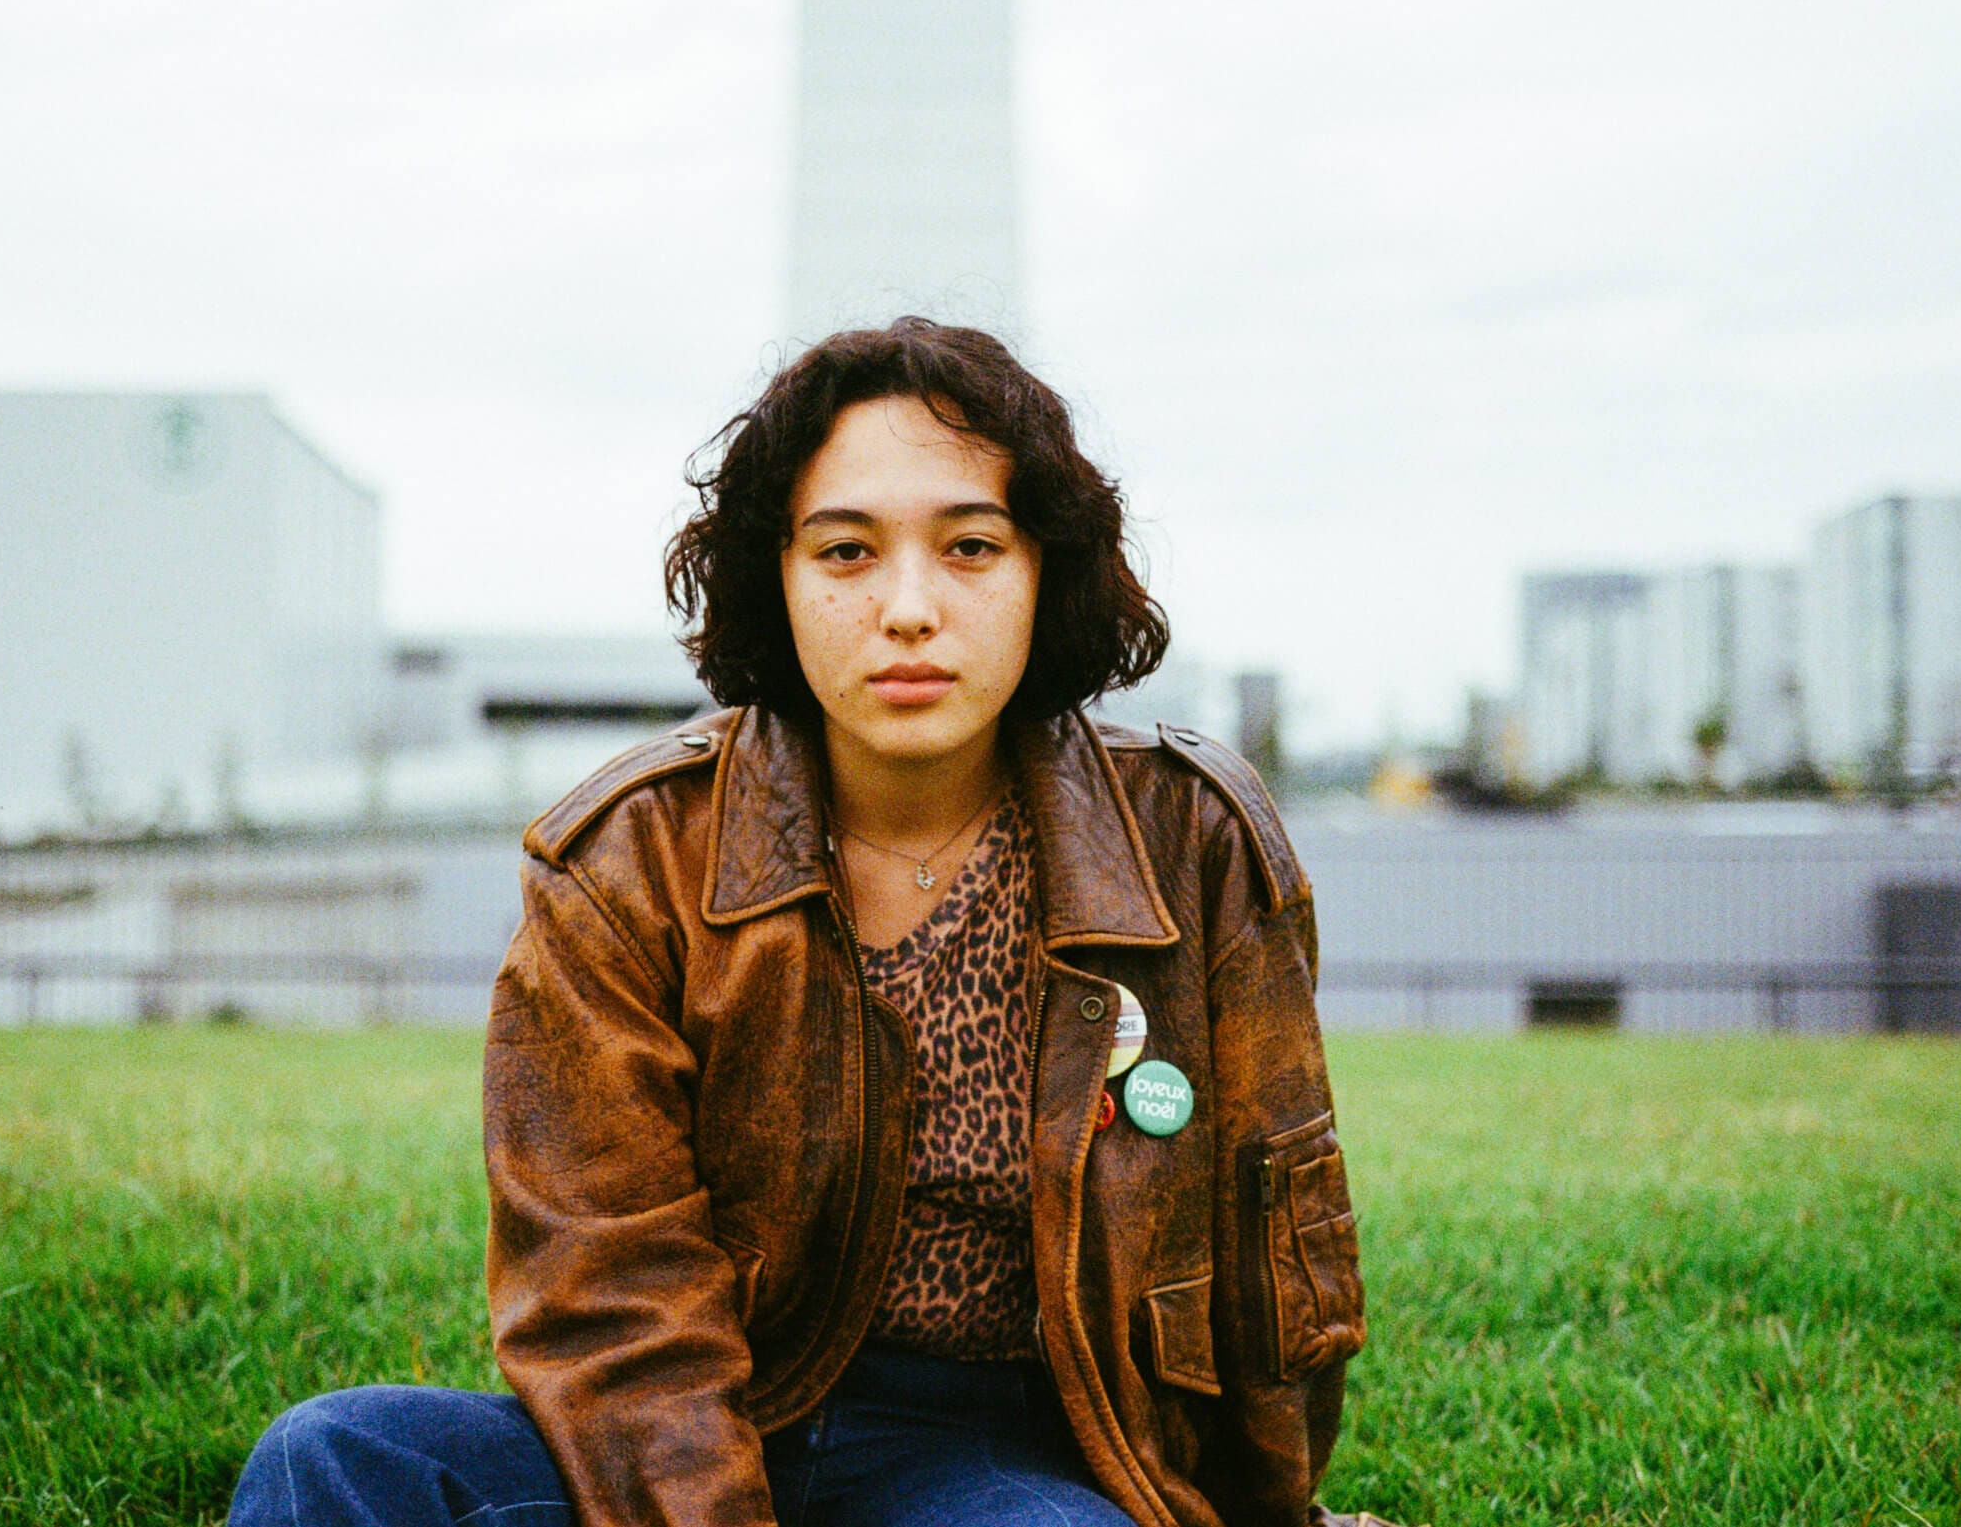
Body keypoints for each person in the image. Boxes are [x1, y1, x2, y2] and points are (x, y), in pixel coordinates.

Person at [228, 320, 1376, 1527]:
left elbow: (1279, 1272)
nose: (909, 608)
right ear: (774, 575)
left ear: (1047, 566)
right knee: (331, 1460)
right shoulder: (627, 856)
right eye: (845, 551)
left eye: (971, 546)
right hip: (693, 1418)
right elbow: (608, 1289)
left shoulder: (1191, 836)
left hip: (1000, 1463)